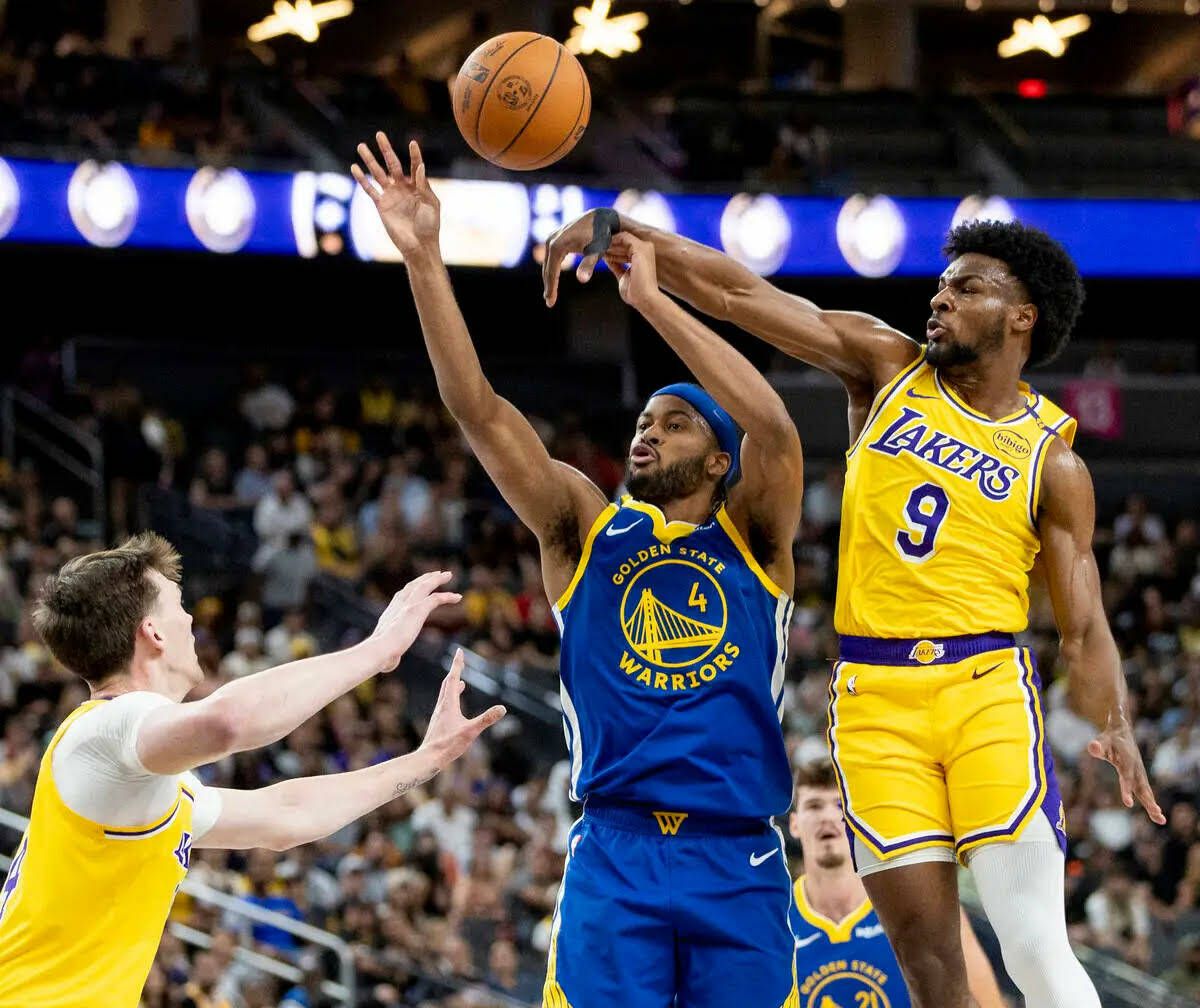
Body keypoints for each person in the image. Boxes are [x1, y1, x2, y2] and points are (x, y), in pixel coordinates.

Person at [543, 211, 1164, 1007]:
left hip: (986, 689)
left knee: (1034, 944)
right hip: (874, 701)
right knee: (930, 967)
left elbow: (1083, 627)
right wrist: (631, 234)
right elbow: (740, 293)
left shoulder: (1056, 459)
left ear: (1021, 317)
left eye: (966, 287)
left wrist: (1113, 720)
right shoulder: (885, 366)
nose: (938, 299)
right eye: (939, 285)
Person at [353, 133, 805, 1008]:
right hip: (616, 851)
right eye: (643, 418)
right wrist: (423, 261)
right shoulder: (582, 528)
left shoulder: (755, 534)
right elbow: (477, 412)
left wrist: (657, 303)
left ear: (718, 462)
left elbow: (776, 429)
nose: (647, 431)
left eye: (674, 423)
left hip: (741, 852)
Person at [0, 533, 504, 1008]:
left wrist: (427, 759)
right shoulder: (100, 732)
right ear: (151, 631)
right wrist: (377, 650)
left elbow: (288, 815)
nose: (192, 618)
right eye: (178, 605)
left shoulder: (145, 784)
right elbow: (228, 720)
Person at [789, 759, 1005, 1008]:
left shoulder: (920, 904)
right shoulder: (775, 919)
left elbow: (989, 1002)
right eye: (814, 806)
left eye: (840, 805)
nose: (828, 817)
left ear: (859, 818)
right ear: (794, 824)